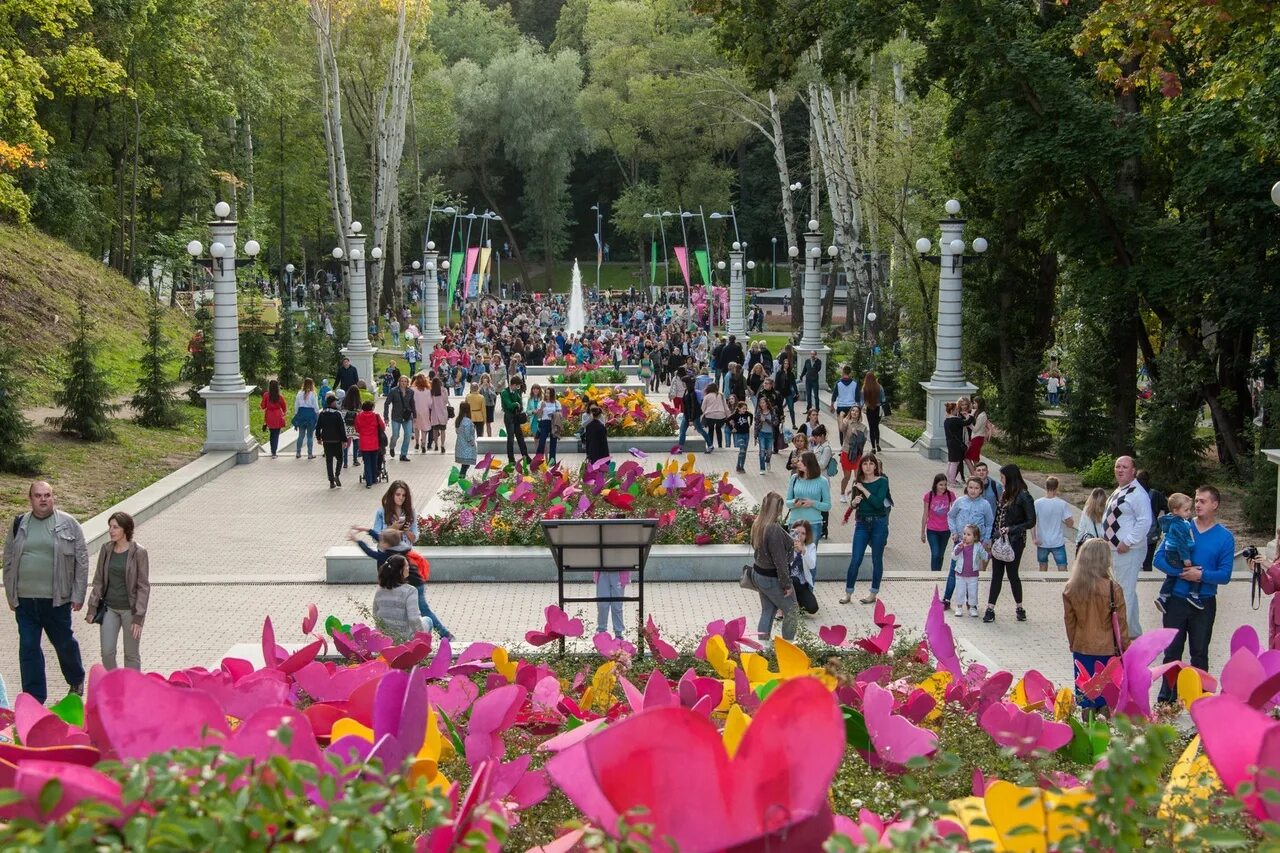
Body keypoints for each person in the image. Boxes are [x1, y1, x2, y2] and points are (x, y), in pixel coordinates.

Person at [3, 482, 87, 704]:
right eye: (38, 496)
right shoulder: (19, 524)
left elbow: (82, 561)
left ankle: (76, 679)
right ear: (30, 498)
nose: (43, 499)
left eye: (47, 495)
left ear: (53, 497)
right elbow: (9, 560)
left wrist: (78, 594)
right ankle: (34, 699)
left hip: (56, 600)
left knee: (63, 642)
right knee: (29, 648)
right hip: (25, 601)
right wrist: (11, 595)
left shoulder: (69, 524)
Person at [1064, 538, 1129, 713]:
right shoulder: (1113, 588)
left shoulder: (1071, 588)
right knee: (1106, 697)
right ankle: (1104, 733)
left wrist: (1073, 643)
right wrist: (1126, 649)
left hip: (1081, 647)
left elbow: (1069, 621)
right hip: (1107, 650)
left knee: (1086, 697)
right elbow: (1121, 623)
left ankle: (1087, 732)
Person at [85, 511, 150, 671]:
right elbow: (99, 580)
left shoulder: (139, 552)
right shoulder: (106, 549)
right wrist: (92, 607)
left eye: (115, 527)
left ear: (125, 529)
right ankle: (114, 685)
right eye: (110, 527)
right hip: (110, 609)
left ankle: (132, 690)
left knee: (131, 654)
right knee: (107, 652)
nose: (111, 531)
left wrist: (138, 617)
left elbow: (143, 586)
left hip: (131, 610)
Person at [1103, 455, 1153, 639]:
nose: (1120, 470)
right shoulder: (1122, 489)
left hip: (1128, 550)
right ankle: (1131, 631)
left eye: (1125, 467)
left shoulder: (1138, 493)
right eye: (1117, 467)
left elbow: (1145, 520)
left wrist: (1128, 541)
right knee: (1126, 589)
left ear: (1133, 471)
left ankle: (1120, 635)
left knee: (1123, 592)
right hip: (1115, 549)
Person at [982, 464, 1036, 623]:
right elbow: (997, 517)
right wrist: (992, 537)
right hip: (1000, 540)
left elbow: (1031, 521)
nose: (1001, 480)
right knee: (996, 574)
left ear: (1010, 478)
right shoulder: (1005, 494)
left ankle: (1019, 607)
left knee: (1012, 574)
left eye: (1003, 477)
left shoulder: (1024, 496)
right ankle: (990, 608)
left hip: (1015, 541)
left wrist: (1011, 529)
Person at [840, 454, 892, 605]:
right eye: (865, 464)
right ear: (861, 466)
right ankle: (848, 593)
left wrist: (863, 489)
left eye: (871, 463)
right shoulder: (857, 482)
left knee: (877, 559)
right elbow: (855, 504)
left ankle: (873, 593)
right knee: (856, 558)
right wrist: (854, 503)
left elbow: (877, 503)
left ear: (875, 466)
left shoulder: (883, 481)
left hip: (878, 523)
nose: (868, 466)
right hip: (862, 523)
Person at [750, 492, 797, 644]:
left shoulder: (758, 524)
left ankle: (763, 646)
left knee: (768, 610)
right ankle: (788, 646)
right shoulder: (773, 529)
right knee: (792, 610)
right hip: (771, 577)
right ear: (777, 509)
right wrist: (787, 584)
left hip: (759, 574)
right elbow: (780, 561)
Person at [944, 479, 994, 609]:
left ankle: (971, 602)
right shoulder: (960, 501)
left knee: (970, 572)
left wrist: (986, 540)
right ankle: (947, 598)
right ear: (967, 488)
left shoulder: (985, 504)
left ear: (981, 490)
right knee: (954, 570)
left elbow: (989, 523)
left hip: (976, 545)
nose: (973, 490)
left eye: (976, 488)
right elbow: (951, 516)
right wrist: (954, 531)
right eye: (971, 487)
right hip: (960, 542)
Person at [1154, 493, 1200, 613]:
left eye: (1189, 509)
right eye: (1186, 510)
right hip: (1176, 553)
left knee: (1172, 576)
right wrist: (1186, 558)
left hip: (1173, 553)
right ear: (1175, 511)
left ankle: (1164, 596)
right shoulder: (1178, 524)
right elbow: (1181, 543)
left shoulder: (1178, 521)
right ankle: (1193, 594)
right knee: (1195, 570)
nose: (1189, 512)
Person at [372, 555, 430, 641]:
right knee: (428, 620)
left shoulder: (380, 590)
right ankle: (423, 649)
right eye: (406, 566)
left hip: (385, 638)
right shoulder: (410, 591)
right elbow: (414, 619)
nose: (408, 568)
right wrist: (421, 635)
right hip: (404, 637)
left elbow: (375, 615)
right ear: (400, 571)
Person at [785, 451, 831, 548]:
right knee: (794, 556)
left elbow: (827, 506)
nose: (798, 463)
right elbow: (787, 502)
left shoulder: (822, 481)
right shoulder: (794, 478)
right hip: (795, 523)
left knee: (810, 558)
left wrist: (813, 503)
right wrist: (794, 503)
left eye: (801, 461)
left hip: (813, 524)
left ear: (809, 463)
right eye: (798, 461)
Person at [1033, 476, 1075, 572]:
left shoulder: (1037, 503)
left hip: (1042, 541)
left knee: (1042, 567)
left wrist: (1034, 538)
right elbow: (1070, 524)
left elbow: (1033, 522)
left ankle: (1043, 586)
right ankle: (1061, 585)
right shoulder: (1062, 504)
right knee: (1062, 567)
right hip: (1057, 541)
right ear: (1057, 488)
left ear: (1045, 486)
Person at [951, 524, 988, 618]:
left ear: (975, 537)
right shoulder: (960, 545)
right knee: (960, 591)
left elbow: (984, 555)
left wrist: (989, 555)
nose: (965, 536)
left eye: (968, 534)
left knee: (973, 591)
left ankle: (972, 607)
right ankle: (959, 607)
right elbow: (954, 557)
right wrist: (958, 550)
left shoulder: (978, 546)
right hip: (960, 574)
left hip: (973, 574)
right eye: (964, 534)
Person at [1251, 531, 1280, 650]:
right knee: (1275, 656)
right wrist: (1259, 572)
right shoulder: (1278, 560)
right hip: (1277, 617)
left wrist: (1269, 565)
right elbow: (1269, 589)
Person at [921, 473, 955, 575]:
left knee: (940, 555)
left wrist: (955, 529)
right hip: (932, 530)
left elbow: (954, 513)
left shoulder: (950, 495)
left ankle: (938, 574)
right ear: (935, 484)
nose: (943, 487)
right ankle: (934, 575)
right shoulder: (929, 496)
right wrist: (922, 532)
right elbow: (925, 514)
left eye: (945, 484)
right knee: (935, 554)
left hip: (945, 530)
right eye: (941, 485)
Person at [788, 519, 819, 615]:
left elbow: (812, 565)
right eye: (797, 532)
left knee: (813, 608)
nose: (800, 536)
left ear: (807, 535)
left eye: (803, 533)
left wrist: (803, 551)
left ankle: (797, 602)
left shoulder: (810, 547)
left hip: (802, 585)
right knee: (794, 580)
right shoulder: (786, 545)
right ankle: (788, 603)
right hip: (786, 583)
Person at [316, 394, 347, 487]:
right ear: (332, 402)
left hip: (326, 440)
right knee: (340, 459)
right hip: (336, 439)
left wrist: (318, 438)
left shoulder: (322, 413)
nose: (336, 403)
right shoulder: (337, 414)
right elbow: (342, 428)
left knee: (329, 461)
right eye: (335, 402)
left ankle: (331, 481)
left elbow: (318, 427)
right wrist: (344, 440)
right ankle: (337, 474)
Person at [383, 375, 416, 462]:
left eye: (405, 381)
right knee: (395, 435)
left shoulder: (410, 392)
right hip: (396, 416)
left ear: (407, 383)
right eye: (402, 381)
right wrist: (386, 417)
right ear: (399, 382)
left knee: (408, 435)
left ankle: (403, 454)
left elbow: (412, 404)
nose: (403, 383)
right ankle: (392, 447)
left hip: (407, 417)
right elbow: (387, 403)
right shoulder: (393, 391)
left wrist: (415, 416)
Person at [838, 405, 868, 501]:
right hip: (846, 452)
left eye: (857, 411)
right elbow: (841, 429)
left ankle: (855, 495)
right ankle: (842, 493)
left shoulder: (863, 427)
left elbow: (863, 441)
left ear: (859, 414)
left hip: (857, 454)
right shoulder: (847, 423)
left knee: (858, 477)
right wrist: (842, 418)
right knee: (847, 476)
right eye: (853, 411)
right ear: (850, 412)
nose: (854, 413)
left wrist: (858, 434)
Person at [354, 400, 386, 489]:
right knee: (374, 461)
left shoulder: (359, 416)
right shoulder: (376, 416)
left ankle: (368, 482)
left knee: (367, 462)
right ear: (372, 408)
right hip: (374, 442)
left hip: (364, 443)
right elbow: (383, 427)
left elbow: (357, 428)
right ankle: (374, 478)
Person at [500, 377, 531, 465]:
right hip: (509, 417)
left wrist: (518, 404)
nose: (518, 388)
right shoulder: (504, 393)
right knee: (510, 439)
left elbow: (520, 403)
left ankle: (526, 456)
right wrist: (516, 404)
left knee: (520, 437)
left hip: (516, 416)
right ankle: (511, 459)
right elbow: (509, 405)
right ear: (513, 385)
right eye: (517, 386)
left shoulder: (516, 391)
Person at [595, 566, 629, 640]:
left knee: (617, 606)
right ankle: (601, 631)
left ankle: (618, 634)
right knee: (602, 605)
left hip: (619, 572)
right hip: (602, 571)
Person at [260, 379, 288, 458]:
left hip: (269, 415)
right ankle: (274, 452)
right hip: (278, 415)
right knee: (276, 434)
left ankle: (272, 450)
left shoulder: (266, 395)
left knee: (272, 434)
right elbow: (284, 407)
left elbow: (263, 406)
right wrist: (283, 414)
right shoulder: (279, 396)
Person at [1075, 487, 1108, 552]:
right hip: (1103, 545)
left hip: (1089, 544)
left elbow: (1081, 528)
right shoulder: (1107, 510)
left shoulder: (1087, 510)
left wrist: (1078, 542)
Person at [294, 378, 320, 459]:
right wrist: (318, 415)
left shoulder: (299, 393)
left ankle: (298, 453)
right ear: (312, 384)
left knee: (301, 435)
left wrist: (296, 415)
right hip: (310, 415)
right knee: (309, 436)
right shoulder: (313, 394)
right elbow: (316, 406)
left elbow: (296, 405)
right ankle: (309, 454)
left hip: (301, 414)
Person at [943, 401, 967, 485]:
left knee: (951, 461)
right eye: (956, 409)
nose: (958, 411)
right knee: (955, 462)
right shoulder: (955, 420)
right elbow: (966, 423)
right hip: (956, 444)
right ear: (952, 410)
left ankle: (949, 479)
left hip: (949, 443)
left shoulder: (946, 420)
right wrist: (970, 416)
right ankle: (952, 480)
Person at [700, 384, 731, 450]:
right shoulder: (721, 396)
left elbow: (703, 408)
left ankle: (710, 445)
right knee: (718, 429)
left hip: (709, 415)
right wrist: (729, 417)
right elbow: (726, 407)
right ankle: (720, 445)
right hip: (720, 415)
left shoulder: (707, 396)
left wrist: (700, 417)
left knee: (710, 430)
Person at [536, 387, 562, 463]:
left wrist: (554, 414)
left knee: (553, 443)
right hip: (544, 423)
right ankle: (538, 460)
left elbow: (561, 414)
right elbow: (539, 416)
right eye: (546, 393)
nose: (547, 395)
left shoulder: (556, 403)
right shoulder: (541, 402)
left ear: (552, 394)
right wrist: (541, 408)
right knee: (542, 442)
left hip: (553, 423)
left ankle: (552, 461)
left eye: (549, 393)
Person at [965, 397, 989, 477]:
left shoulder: (982, 415)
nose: (973, 404)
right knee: (970, 457)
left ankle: (978, 475)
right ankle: (975, 474)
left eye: (975, 403)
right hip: (975, 438)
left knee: (973, 458)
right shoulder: (977, 412)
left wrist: (968, 423)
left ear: (979, 404)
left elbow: (975, 429)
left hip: (978, 438)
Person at [453, 401, 478, 477]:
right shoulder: (467, 421)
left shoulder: (459, 420)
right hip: (466, 446)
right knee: (466, 464)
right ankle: (462, 477)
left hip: (460, 444)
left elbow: (457, 431)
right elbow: (467, 435)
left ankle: (462, 476)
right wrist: (472, 443)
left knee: (464, 464)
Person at [754, 397, 779, 473]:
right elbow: (756, 425)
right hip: (761, 433)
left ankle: (768, 461)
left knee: (769, 452)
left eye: (763, 403)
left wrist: (766, 420)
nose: (762, 404)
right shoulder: (758, 413)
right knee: (762, 451)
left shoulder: (772, 412)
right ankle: (762, 468)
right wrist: (755, 437)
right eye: (760, 403)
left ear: (767, 403)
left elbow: (775, 423)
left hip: (770, 434)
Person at [426, 376, 449, 455]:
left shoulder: (431, 392)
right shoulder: (444, 390)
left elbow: (429, 404)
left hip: (434, 414)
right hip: (443, 413)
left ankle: (436, 444)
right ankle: (442, 445)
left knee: (435, 431)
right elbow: (446, 401)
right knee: (443, 431)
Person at [730, 399, 754, 475]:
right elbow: (728, 420)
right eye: (743, 408)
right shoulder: (736, 415)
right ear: (739, 408)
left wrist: (750, 423)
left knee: (744, 451)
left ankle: (741, 466)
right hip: (739, 434)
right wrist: (732, 427)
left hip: (746, 434)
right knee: (742, 450)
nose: (745, 410)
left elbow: (751, 415)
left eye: (746, 409)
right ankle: (738, 466)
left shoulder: (746, 414)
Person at [862, 371, 883, 452]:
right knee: (876, 427)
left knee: (871, 428)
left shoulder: (865, 387)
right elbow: (883, 399)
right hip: (878, 409)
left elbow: (863, 400)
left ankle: (873, 447)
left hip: (870, 409)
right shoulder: (879, 387)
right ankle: (878, 443)